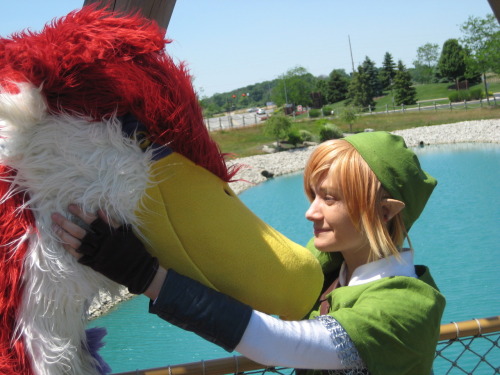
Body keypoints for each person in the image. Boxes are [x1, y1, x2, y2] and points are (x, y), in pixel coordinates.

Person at [52, 131, 446, 375]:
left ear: (385, 210)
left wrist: (144, 276)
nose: (311, 212)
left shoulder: (408, 307)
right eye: (313, 195)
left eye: (330, 198)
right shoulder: (329, 268)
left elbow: (275, 342)